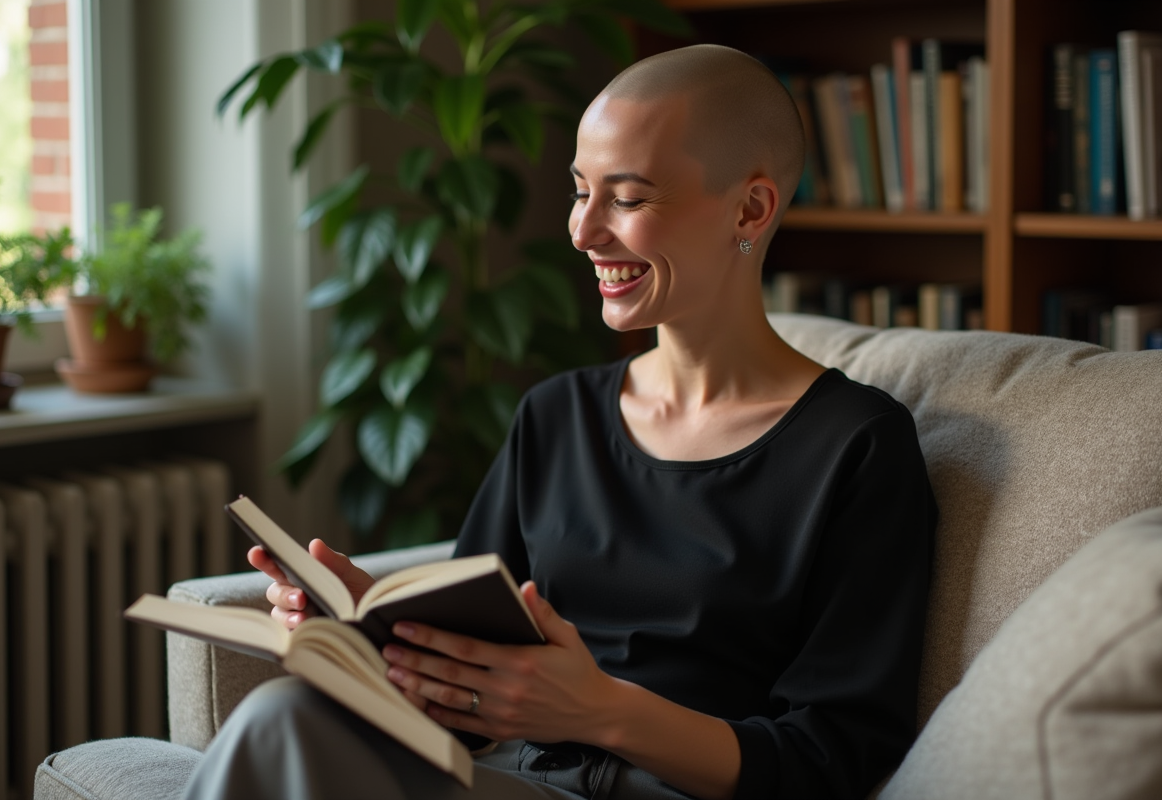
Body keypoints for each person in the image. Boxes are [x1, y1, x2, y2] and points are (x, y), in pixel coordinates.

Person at [183, 44, 936, 800]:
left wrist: (603, 711)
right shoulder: (557, 415)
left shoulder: (858, 447)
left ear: (750, 208)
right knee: (291, 711)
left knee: (283, 725)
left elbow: (835, 757)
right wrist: (369, 632)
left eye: (629, 199)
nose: (582, 232)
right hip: (509, 781)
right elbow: (468, 688)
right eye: (580, 191)